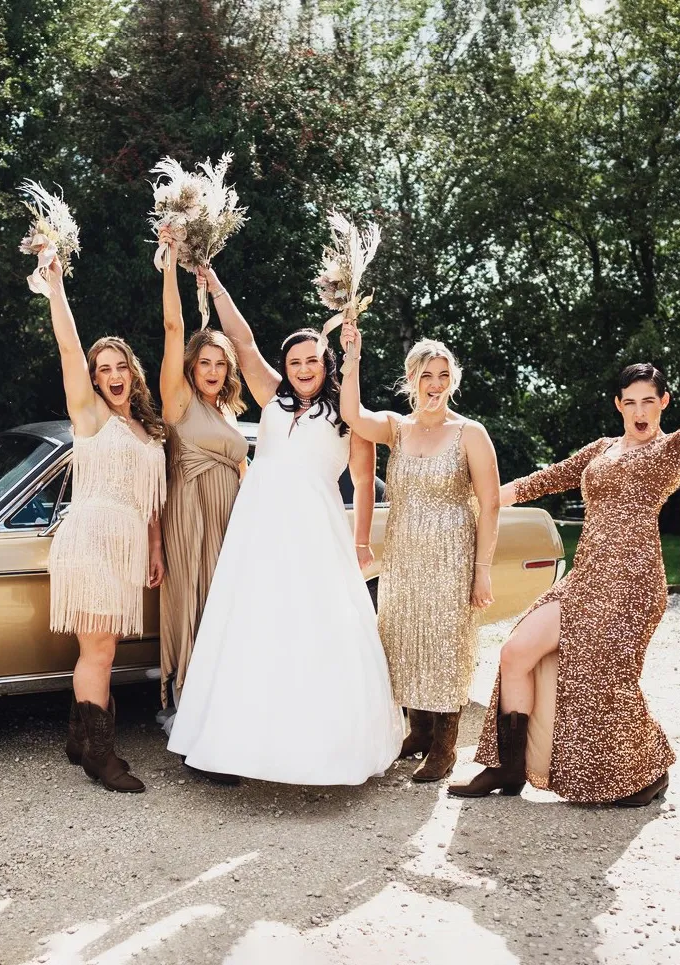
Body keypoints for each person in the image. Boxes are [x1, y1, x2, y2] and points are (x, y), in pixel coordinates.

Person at [167, 267, 404, 785]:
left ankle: (315, 750)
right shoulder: (271, 396)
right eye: (294, 361)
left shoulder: (348, 418)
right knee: (248, 626)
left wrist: (360, 542)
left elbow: (364, 483)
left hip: (314, 532)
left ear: (326, 365)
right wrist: (214, 282)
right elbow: (242, 341)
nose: (301, 369)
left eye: (311, 361)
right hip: (257, 530)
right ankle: (227, 747)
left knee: (310, 630)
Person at [449, 363, 677, 806]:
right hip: (586, 576)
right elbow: (545, 479)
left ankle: (649, 770)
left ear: (664, 401)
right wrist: (481, 497)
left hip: (632, 581)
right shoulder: (602, 449)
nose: (639, 411)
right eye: (630, 401)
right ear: (618, 405)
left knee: (607, 679)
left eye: (649, 400)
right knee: (516, 652)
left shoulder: (671, 450)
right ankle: (508, 767)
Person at [340, 325, 500, 782]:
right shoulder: (396, 427)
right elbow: (352, 414)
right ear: (411, 379)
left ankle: (445, 749)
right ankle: (418, 731)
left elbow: (489, 503)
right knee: (404, 637)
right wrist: (352, 356)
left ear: (453, 380)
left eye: (443, 375)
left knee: (446, 643)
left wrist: (481, 570)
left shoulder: (470, 433)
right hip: (405, 553)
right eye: (426, 375)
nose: (435, 383)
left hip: (452, 554)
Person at [35, 257, 167, 793]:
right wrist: (56, 287)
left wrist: (155, 548)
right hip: (89, 539)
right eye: (102, 370)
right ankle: (101, 757)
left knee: (100, 649)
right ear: (93, 379)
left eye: (120, 367)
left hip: (129, 546)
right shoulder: (90, 417)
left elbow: (151, 498)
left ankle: (78, 737)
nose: (113, 376)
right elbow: (69, 347)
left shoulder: (150, 428)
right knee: (100, 652)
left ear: (133, 372)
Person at [157, 228, 248, 750]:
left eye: (221, 363)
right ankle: (190, 716)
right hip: (191, 517)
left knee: (225, 610)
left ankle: (220, 708)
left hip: (231, 522)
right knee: (196, 605)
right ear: (192, 366)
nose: (213, 370)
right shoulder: (180, 403)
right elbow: (173, 326)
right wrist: (169, 263)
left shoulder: (227, 411)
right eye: (205, 362)